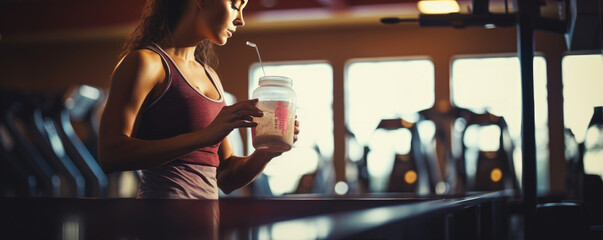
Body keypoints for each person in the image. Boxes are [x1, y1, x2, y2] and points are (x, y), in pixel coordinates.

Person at [98, 0, 300, 199]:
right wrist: (204, 136)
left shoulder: (211, 77)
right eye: (235, 5)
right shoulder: (145, 63)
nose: (241, 20)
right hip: (161, 225)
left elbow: (226, 178)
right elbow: (110, 154)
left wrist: (267, 152)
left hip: (208, 225)